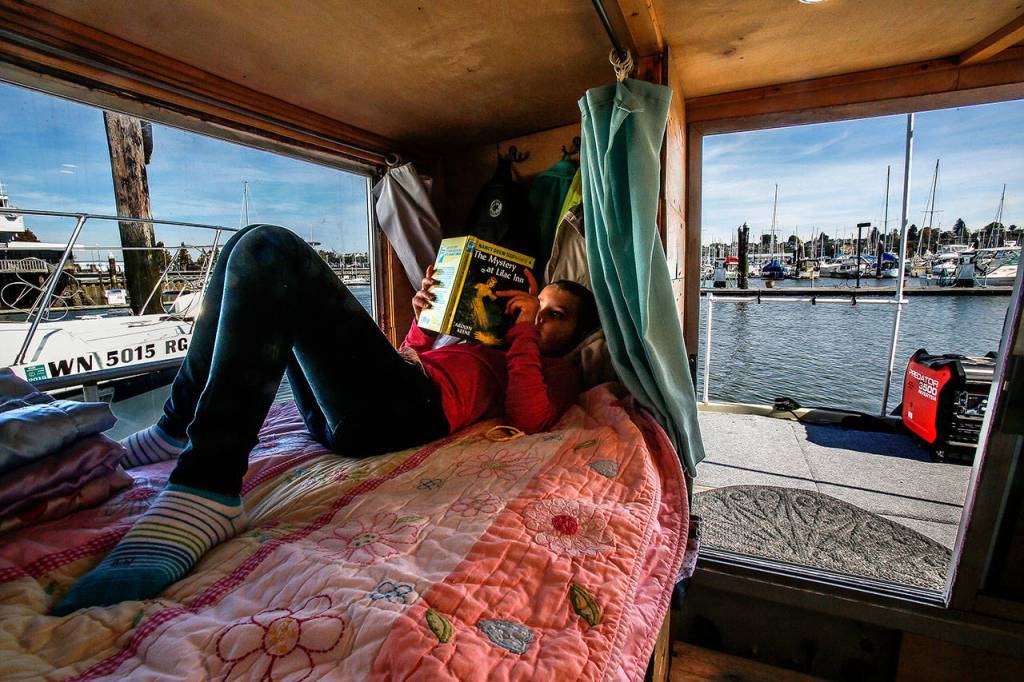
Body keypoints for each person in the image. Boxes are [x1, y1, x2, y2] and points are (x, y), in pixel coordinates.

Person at [54, 223, 599, 615]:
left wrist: (525, 331)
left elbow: (531, 416)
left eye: (555, 315)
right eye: (537, 305)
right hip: (362, 413)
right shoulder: (481, 342)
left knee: (274, 248)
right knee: (244, 247)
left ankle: (207, 485)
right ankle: (179, 426)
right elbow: (411, 361)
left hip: (410, 414)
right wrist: (425, 322)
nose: (540, 316)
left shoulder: (555, 367)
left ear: (575, 334)